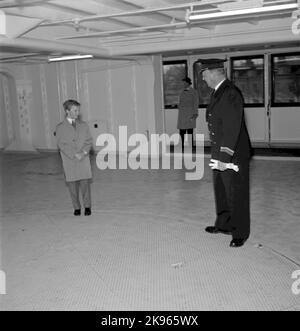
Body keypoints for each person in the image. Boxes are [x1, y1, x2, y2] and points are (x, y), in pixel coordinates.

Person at [198, 58, 252, 248]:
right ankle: (224, 224)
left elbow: (232, 128)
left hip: (232, 154)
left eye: (204, 75)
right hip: (219, 152)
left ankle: (240, 232)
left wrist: (224, 158)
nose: (203, 79)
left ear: (214, 72)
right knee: (221, 191)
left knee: (236, 193)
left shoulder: (230, 93)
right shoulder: (218, 92)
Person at [56, 99, 93, 216]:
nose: (78, 113)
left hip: (83, 159)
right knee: (72, 187)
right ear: (67, 111)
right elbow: (61, 144)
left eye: (78, 110)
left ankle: (87, 207)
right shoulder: (60, 127)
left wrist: (84, 152)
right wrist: (73, 153)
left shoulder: (84, 125)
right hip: (69, 160)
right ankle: (76, 207)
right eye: (75, 110)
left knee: (85, 185)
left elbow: (89, 141)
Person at [177, 77, 199, 152]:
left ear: (187, 83)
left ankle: (190, 146)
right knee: (182, 130)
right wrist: (179, 106)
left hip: (190, 112)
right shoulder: (181, 91)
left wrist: (195, 113)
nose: (182, 84)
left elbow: (196, 103)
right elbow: (180, 101)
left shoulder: (194, 91)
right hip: (182, 113)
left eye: (183, 82)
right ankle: (182, 145)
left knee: (190, 130)